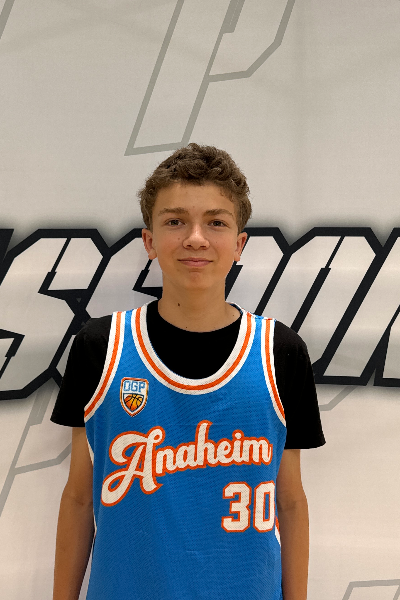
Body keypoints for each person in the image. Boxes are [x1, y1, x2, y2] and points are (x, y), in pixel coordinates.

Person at [51, 143, 325, 600]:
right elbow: (80, 497)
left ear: (239, 244)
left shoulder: (280, 352)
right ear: (149, 240)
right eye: (175, 221)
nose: (196, 238)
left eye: (216, 222)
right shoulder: (101, 346)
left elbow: (291, 501)